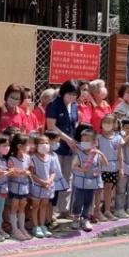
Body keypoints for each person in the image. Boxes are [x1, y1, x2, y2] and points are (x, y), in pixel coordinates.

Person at [45, 80, 81, 217]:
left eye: (75, 94)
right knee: (55, 177)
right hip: (57, 146)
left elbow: (75, 123)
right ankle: (52, 211)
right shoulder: (54, 105)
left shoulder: (75, 106)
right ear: (63, 92)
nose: (72, 97)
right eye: (70, 94)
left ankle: (64, 209)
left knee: (68, 177)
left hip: (71, 147)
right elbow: (51, 126)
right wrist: (67, 139)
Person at [71, 127, 106, 232]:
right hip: (80, 183)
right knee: (78, 201)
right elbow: (73, 166)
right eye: (83, 140)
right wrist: (81, 169)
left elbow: (105, 164)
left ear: (94, 142)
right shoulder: (79, 154)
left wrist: (101, 154)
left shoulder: (96, 154)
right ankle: (76, 217)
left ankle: (85, 219)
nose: (84, 143)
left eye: (87, 140)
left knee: (89, 202)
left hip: (91, 183)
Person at [29, 134, 60, 238]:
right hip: (37, 187)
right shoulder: (32, 158)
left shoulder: (51, 158)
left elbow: (53, 172)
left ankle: (42, 225)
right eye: (41, 143)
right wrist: (42, 182)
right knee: (35, 206)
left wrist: (49, 181)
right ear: (36, 145)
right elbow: (31, 173)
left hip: (48, 186)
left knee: (44, 206)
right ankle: (35, 226)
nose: (45, 145)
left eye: (46, 143)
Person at [96, 114, 123, 221]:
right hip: (101, 167)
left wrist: (121, 168)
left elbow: (120, 153)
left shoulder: (118, 137)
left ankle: (107, 210)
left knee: (109, 188)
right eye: (105, 122)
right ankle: (97, 210)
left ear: (114, 124)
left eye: (110, 122)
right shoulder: (98, 137)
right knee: (99, 189)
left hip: (113, 167)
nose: (107, 124)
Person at [7, 134, 32, 240]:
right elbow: (10, 172)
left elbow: (30, 170)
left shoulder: (28, 157)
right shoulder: (12, 159)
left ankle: (22, 228)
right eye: (27, 145)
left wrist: (26, 172)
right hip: (14, 187)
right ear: (19, 146)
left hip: (24, 187)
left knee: (22, 207)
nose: (29, 147)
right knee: (14, 207)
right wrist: (22, 172)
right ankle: (14, 229)